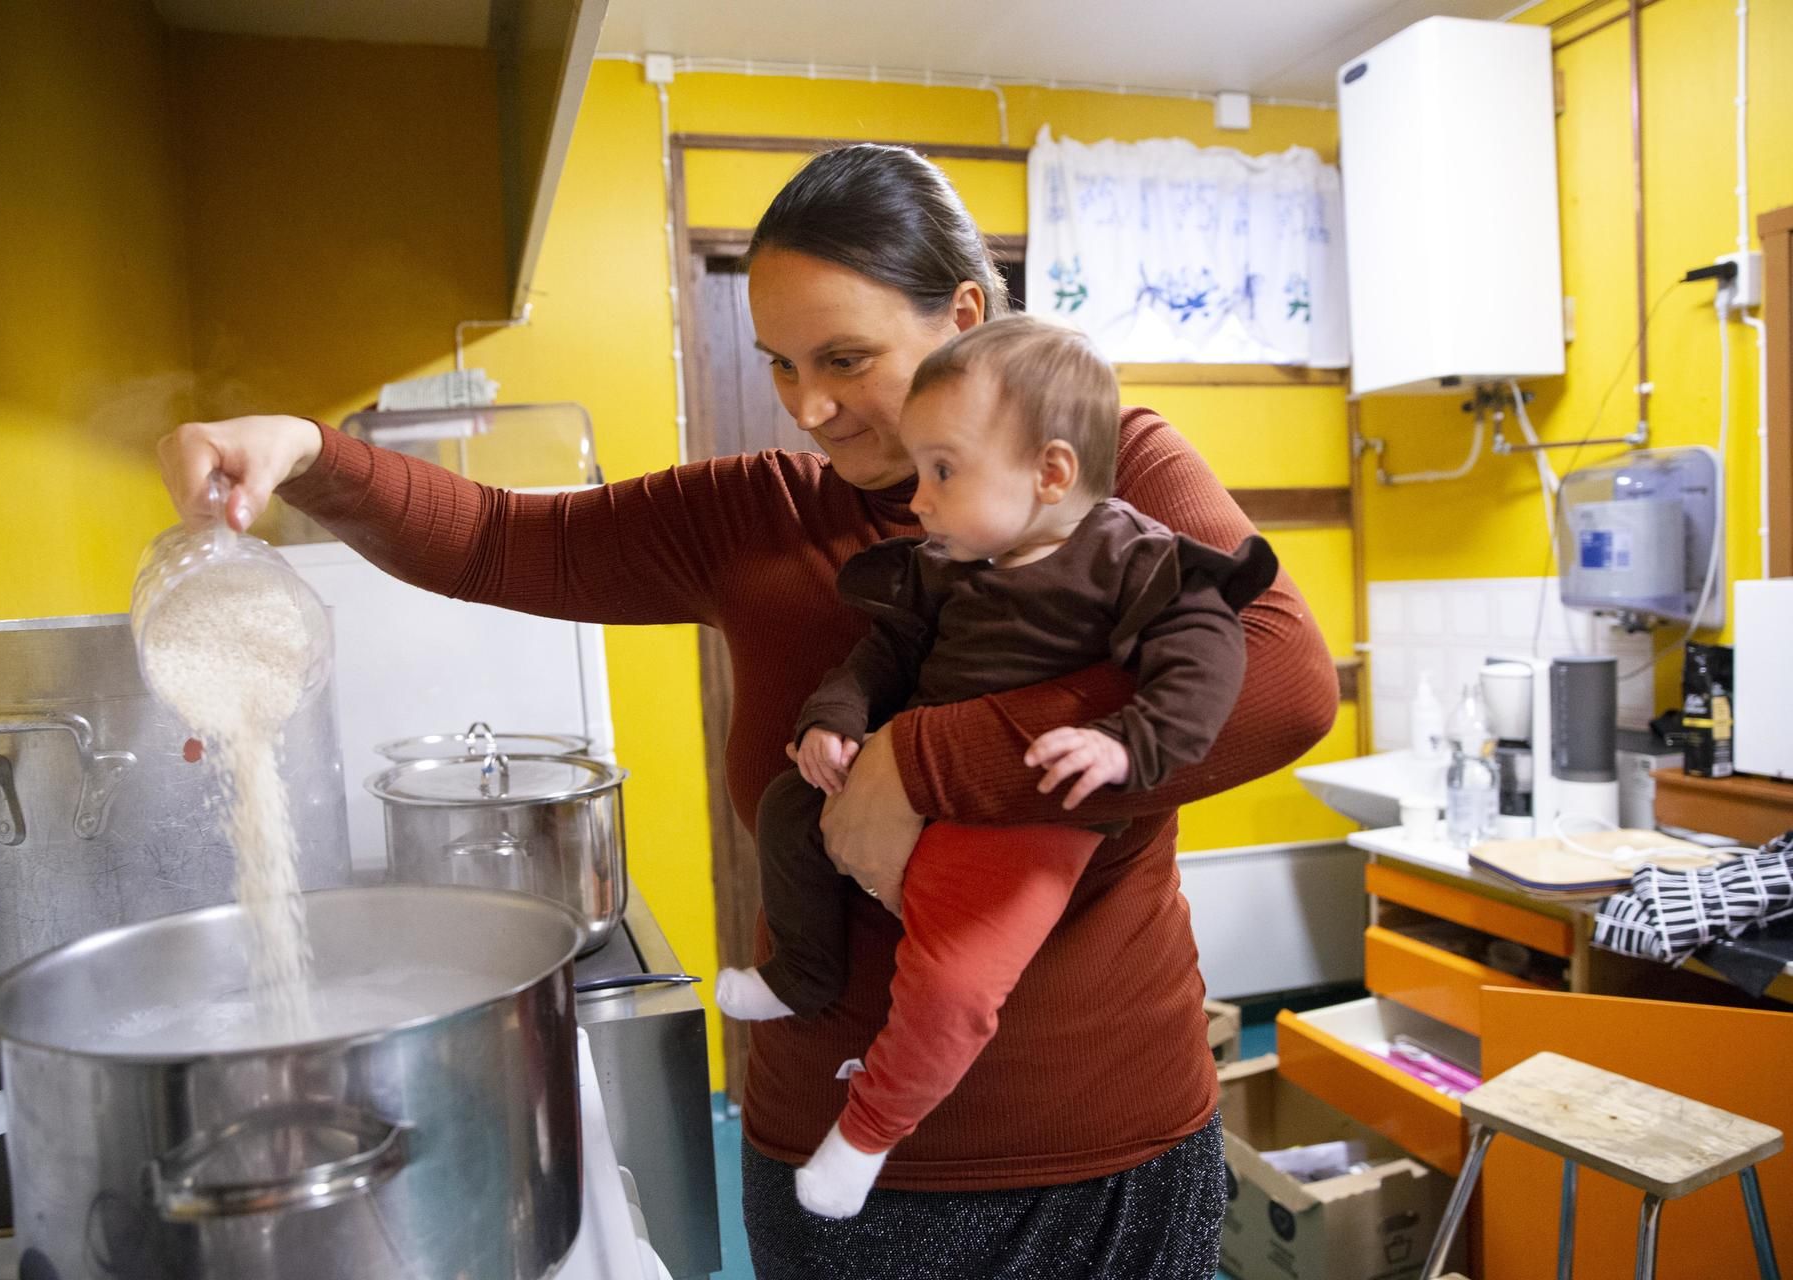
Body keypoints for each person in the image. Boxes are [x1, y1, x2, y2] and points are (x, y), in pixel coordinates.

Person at [156, 143, 1337, 1279]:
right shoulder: (751, 515)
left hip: (1112, 1151)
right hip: (844, 1175)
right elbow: (507, 538)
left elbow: (1283, 676)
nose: (807, 407)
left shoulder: (1105, 465)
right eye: (779, 362)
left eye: (844, 357)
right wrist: (307, 450)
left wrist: (923, 760)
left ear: (965, 317)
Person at [718, 314, 1279, 1221]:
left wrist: (1124, 744)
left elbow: (1209, 653)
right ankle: (802, 975)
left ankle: (865, 1134)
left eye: (943, 471)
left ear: (1050, 473)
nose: (920, 499)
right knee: (789, 810)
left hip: (1028, 821)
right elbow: (881, 656)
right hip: (911, 789)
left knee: (953, 988)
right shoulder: (955, 563)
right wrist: (834, 721)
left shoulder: (1130, 556)